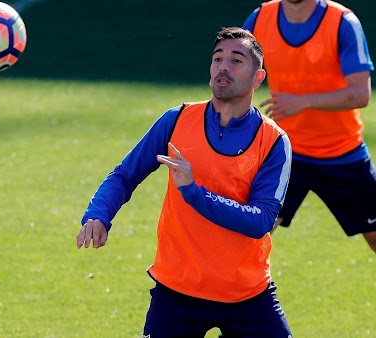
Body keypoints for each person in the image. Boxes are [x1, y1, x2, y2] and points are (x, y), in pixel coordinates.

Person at [76, 27, 294, 337]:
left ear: (258, 77)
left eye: (236, 60)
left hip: (247, 295)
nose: (223, 66)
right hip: (177, 292)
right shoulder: (177, 120)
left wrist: (193, 192)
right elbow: (125, 175)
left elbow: (261, 220)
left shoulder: (273, 141)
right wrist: (98, 215)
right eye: (217, 58)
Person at [243, 0, 376, 251]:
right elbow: (238, 72)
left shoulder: (342, 22)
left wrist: (302, 102)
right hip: (284, 152)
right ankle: (231, 290)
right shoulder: (259, 19)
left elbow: (361, 94)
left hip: (342, 153)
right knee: (253, 234)